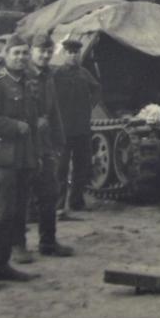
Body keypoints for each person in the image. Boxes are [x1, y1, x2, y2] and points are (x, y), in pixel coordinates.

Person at [0, 34, 41, 292]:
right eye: (16, 53)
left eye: (25, 53)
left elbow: (34, 124)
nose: (21, 57)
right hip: (0, 158)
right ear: (5, 55)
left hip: (22, 159)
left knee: (16, 214)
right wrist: (15, 126)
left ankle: (2, 265)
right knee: (0, 214)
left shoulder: (28, 83)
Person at [13, 32, 72, 263]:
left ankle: (48, 242)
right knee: (21, 198)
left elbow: (53, 110)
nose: (45, 55)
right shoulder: (21, 75)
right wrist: (32, 122)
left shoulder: (49, 76)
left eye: (49, 51)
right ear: (32, 51)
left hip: (44, 145)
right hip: (24, 146)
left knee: (49, 193)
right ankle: (18, 245)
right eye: (41, 51)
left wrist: (59, 142)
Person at [53, 37, 100, 214]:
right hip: (63, 129)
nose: (73, 56)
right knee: (61, 168)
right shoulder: (56, 75)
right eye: (70, 52)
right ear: (64, 54)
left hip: (82, 128)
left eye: (76, 53)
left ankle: (76, 201)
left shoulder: (84, 73)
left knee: (82, 166)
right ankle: (58, 204)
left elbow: (96, 89)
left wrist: (90, 105)